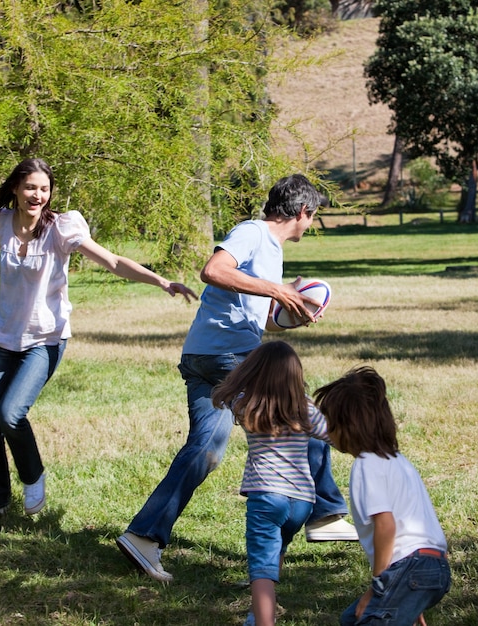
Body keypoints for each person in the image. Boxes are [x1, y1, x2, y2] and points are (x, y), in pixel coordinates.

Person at [116, 173, 357, 583]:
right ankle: (325, 513)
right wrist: (278, 290)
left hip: (205, 356)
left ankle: (143, 537)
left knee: (206, 450)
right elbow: (213, 270)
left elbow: (253, 316)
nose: (309, 225)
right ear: (303, 212)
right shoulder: (252, 233)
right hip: (228, 357)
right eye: (311, 218)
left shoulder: (269, 249)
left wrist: (290, 316)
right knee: (300, 416)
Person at [0, 157, 197, 524]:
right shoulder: (2, 223)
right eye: (31, 187)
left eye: (44, 189)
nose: (38, 195)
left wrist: (159, 280)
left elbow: (112, 261)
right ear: (16, 187)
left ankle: (34, 477)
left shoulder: (61, 228)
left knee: (10, 414)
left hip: (44, 340)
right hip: (1, 337)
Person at [313, 366, 451, 626]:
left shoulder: (367, 464)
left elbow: (386, 526)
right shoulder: (397, 460)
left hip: (410, 567)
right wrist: (407, 601)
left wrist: (380, 586)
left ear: (348, 426)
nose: (328, 431)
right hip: (435, 568)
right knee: (351, 619)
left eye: (331, 423)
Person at [213, 340, 334, 626]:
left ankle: (264, 621)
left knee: (261, 568)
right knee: (276, 550)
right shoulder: (305, 409)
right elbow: (335, 437)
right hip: (302, 501)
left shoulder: (245, 404)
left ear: (254, 370)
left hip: (267, 496)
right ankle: (258, 614)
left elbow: (224, 392)